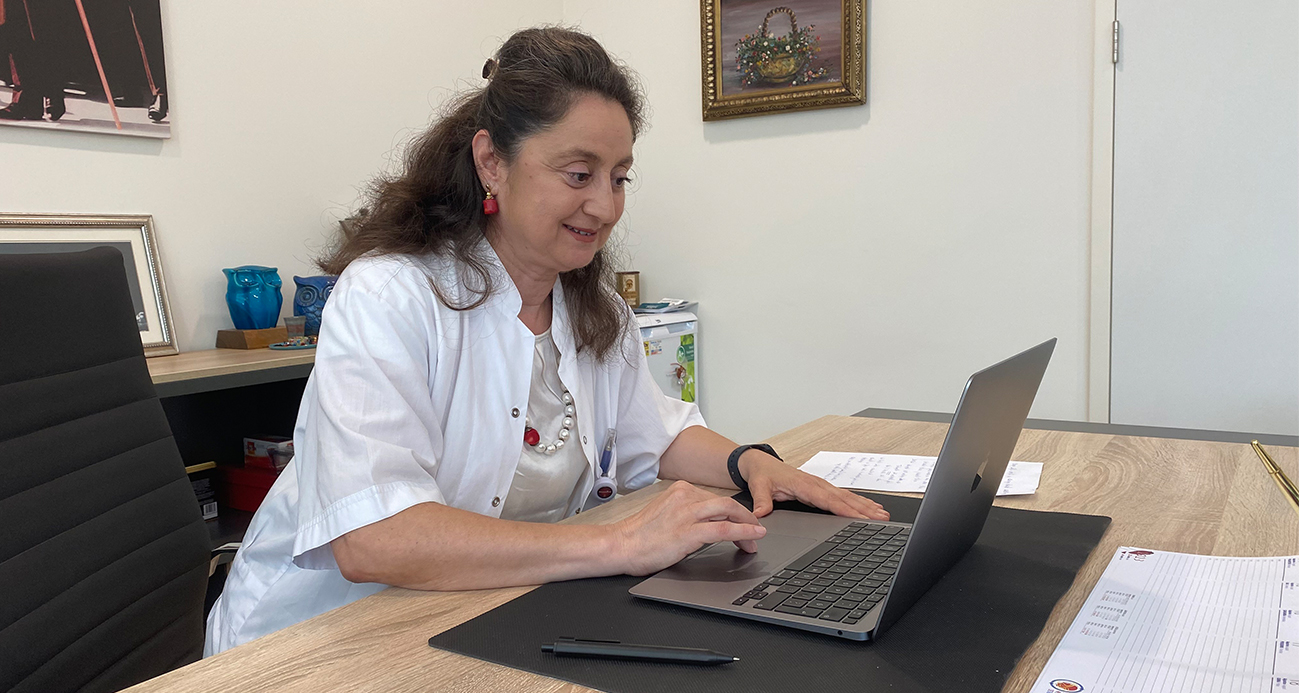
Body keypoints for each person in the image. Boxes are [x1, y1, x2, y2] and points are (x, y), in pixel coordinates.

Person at [204, 26, 887, 655]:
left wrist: (753, 463)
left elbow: (656, 436)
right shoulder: (390, 296)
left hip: (483, 614)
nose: (607, 206)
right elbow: (376, 540)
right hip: (317, 643)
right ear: (491, 162)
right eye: (578, 174)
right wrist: (618, 543)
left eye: (619, 177)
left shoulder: (595, 309)